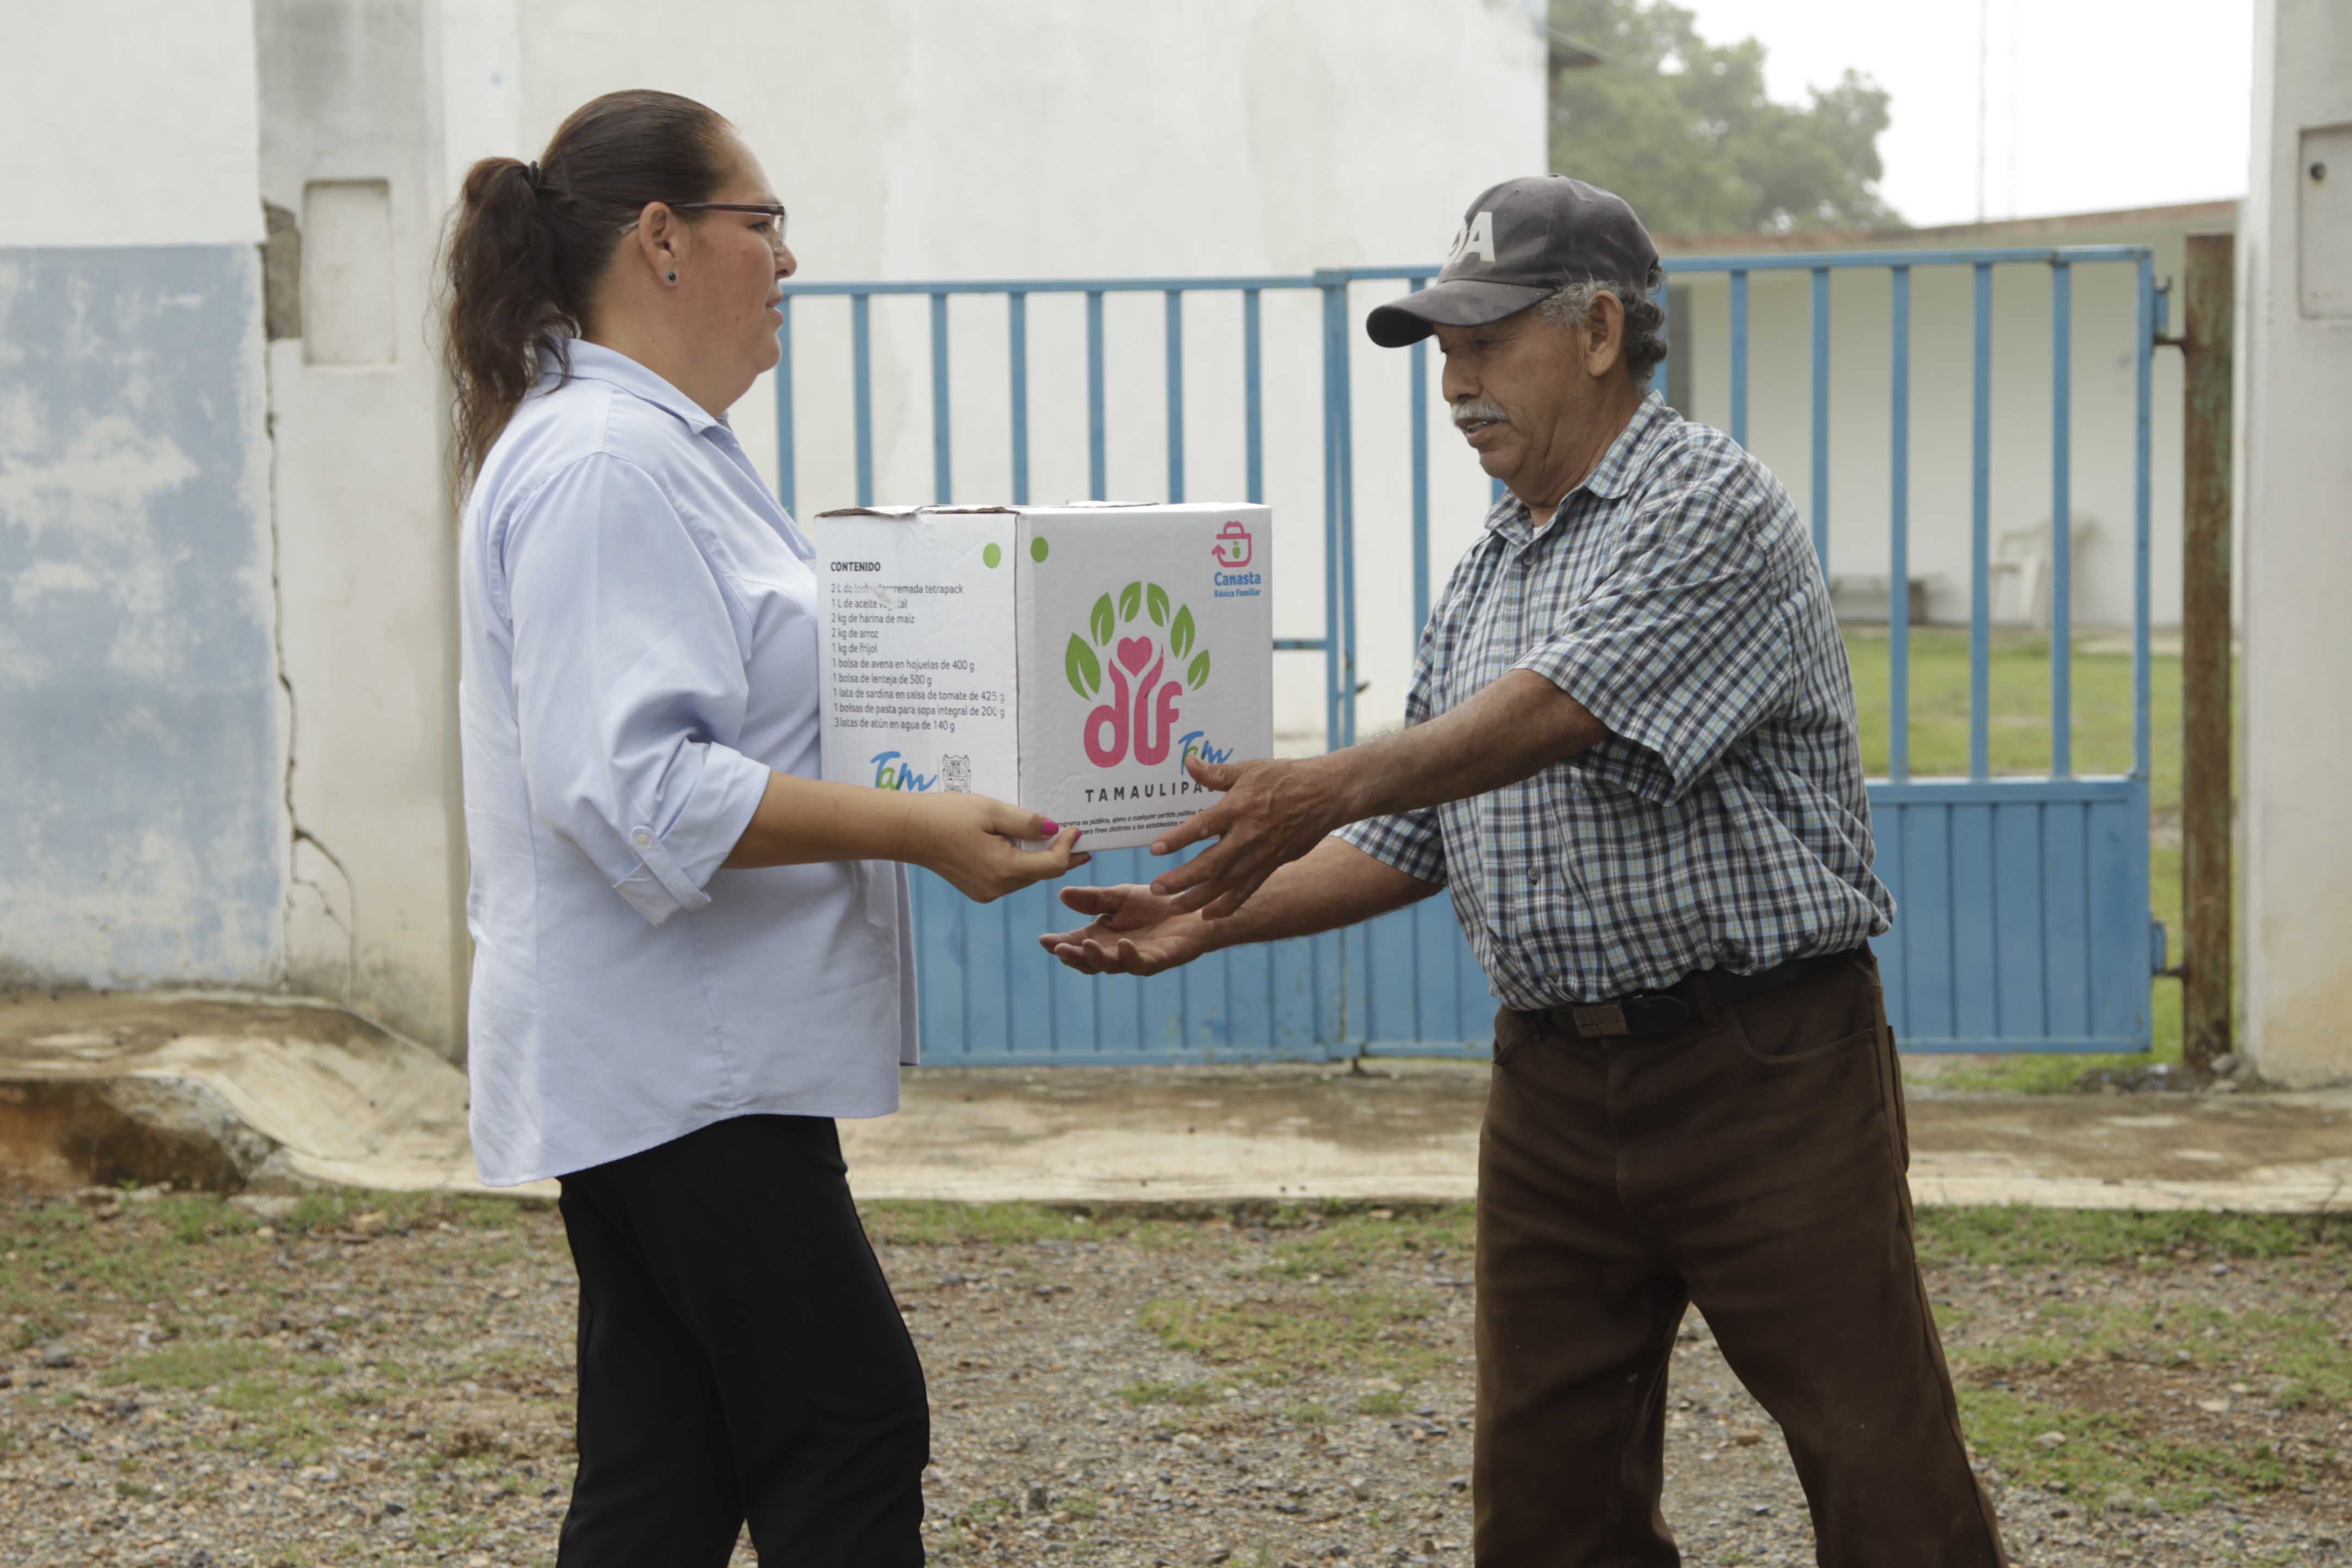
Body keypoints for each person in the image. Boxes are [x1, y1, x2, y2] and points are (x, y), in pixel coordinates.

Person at [1040, 175, 2008, 1566]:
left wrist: (1327, 776)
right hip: (1555, 1086)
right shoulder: (1492, 565)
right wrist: (1202, 914)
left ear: (1602, 330)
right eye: (1442, 349)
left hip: (1760, 1070)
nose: (1456, 380)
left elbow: (1559, 710)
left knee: (1879, 1466)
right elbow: (1411, 836)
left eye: (1486, 341)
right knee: (1549, 1497)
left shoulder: (1711, 504)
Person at [443, 89, 1086, 1566]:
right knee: (847, 1424)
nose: (788, 263)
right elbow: (633, 785)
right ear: (664, 240)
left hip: (686, 1058)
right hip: (686, 1063)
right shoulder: (608, 460)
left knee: (671, 1470)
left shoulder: (652, 446)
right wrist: (917, 828)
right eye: (765, 225)